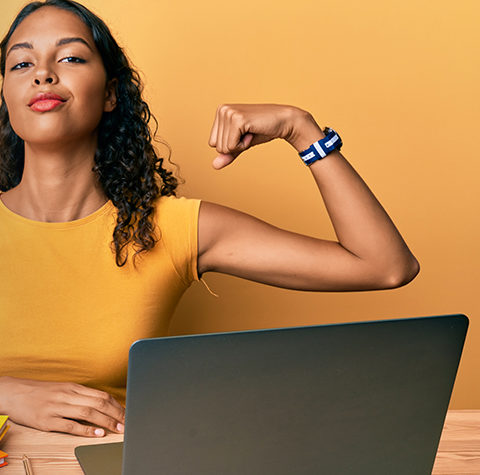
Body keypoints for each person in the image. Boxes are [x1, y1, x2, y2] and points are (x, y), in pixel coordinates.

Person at [0, 0, 419, 439]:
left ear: (109, 93)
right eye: (22, 62)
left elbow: (386, 266)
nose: (42, 73)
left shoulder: (169, 227)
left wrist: (303, 130)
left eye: (70, 57)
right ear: (7, 93)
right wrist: (5, 393)